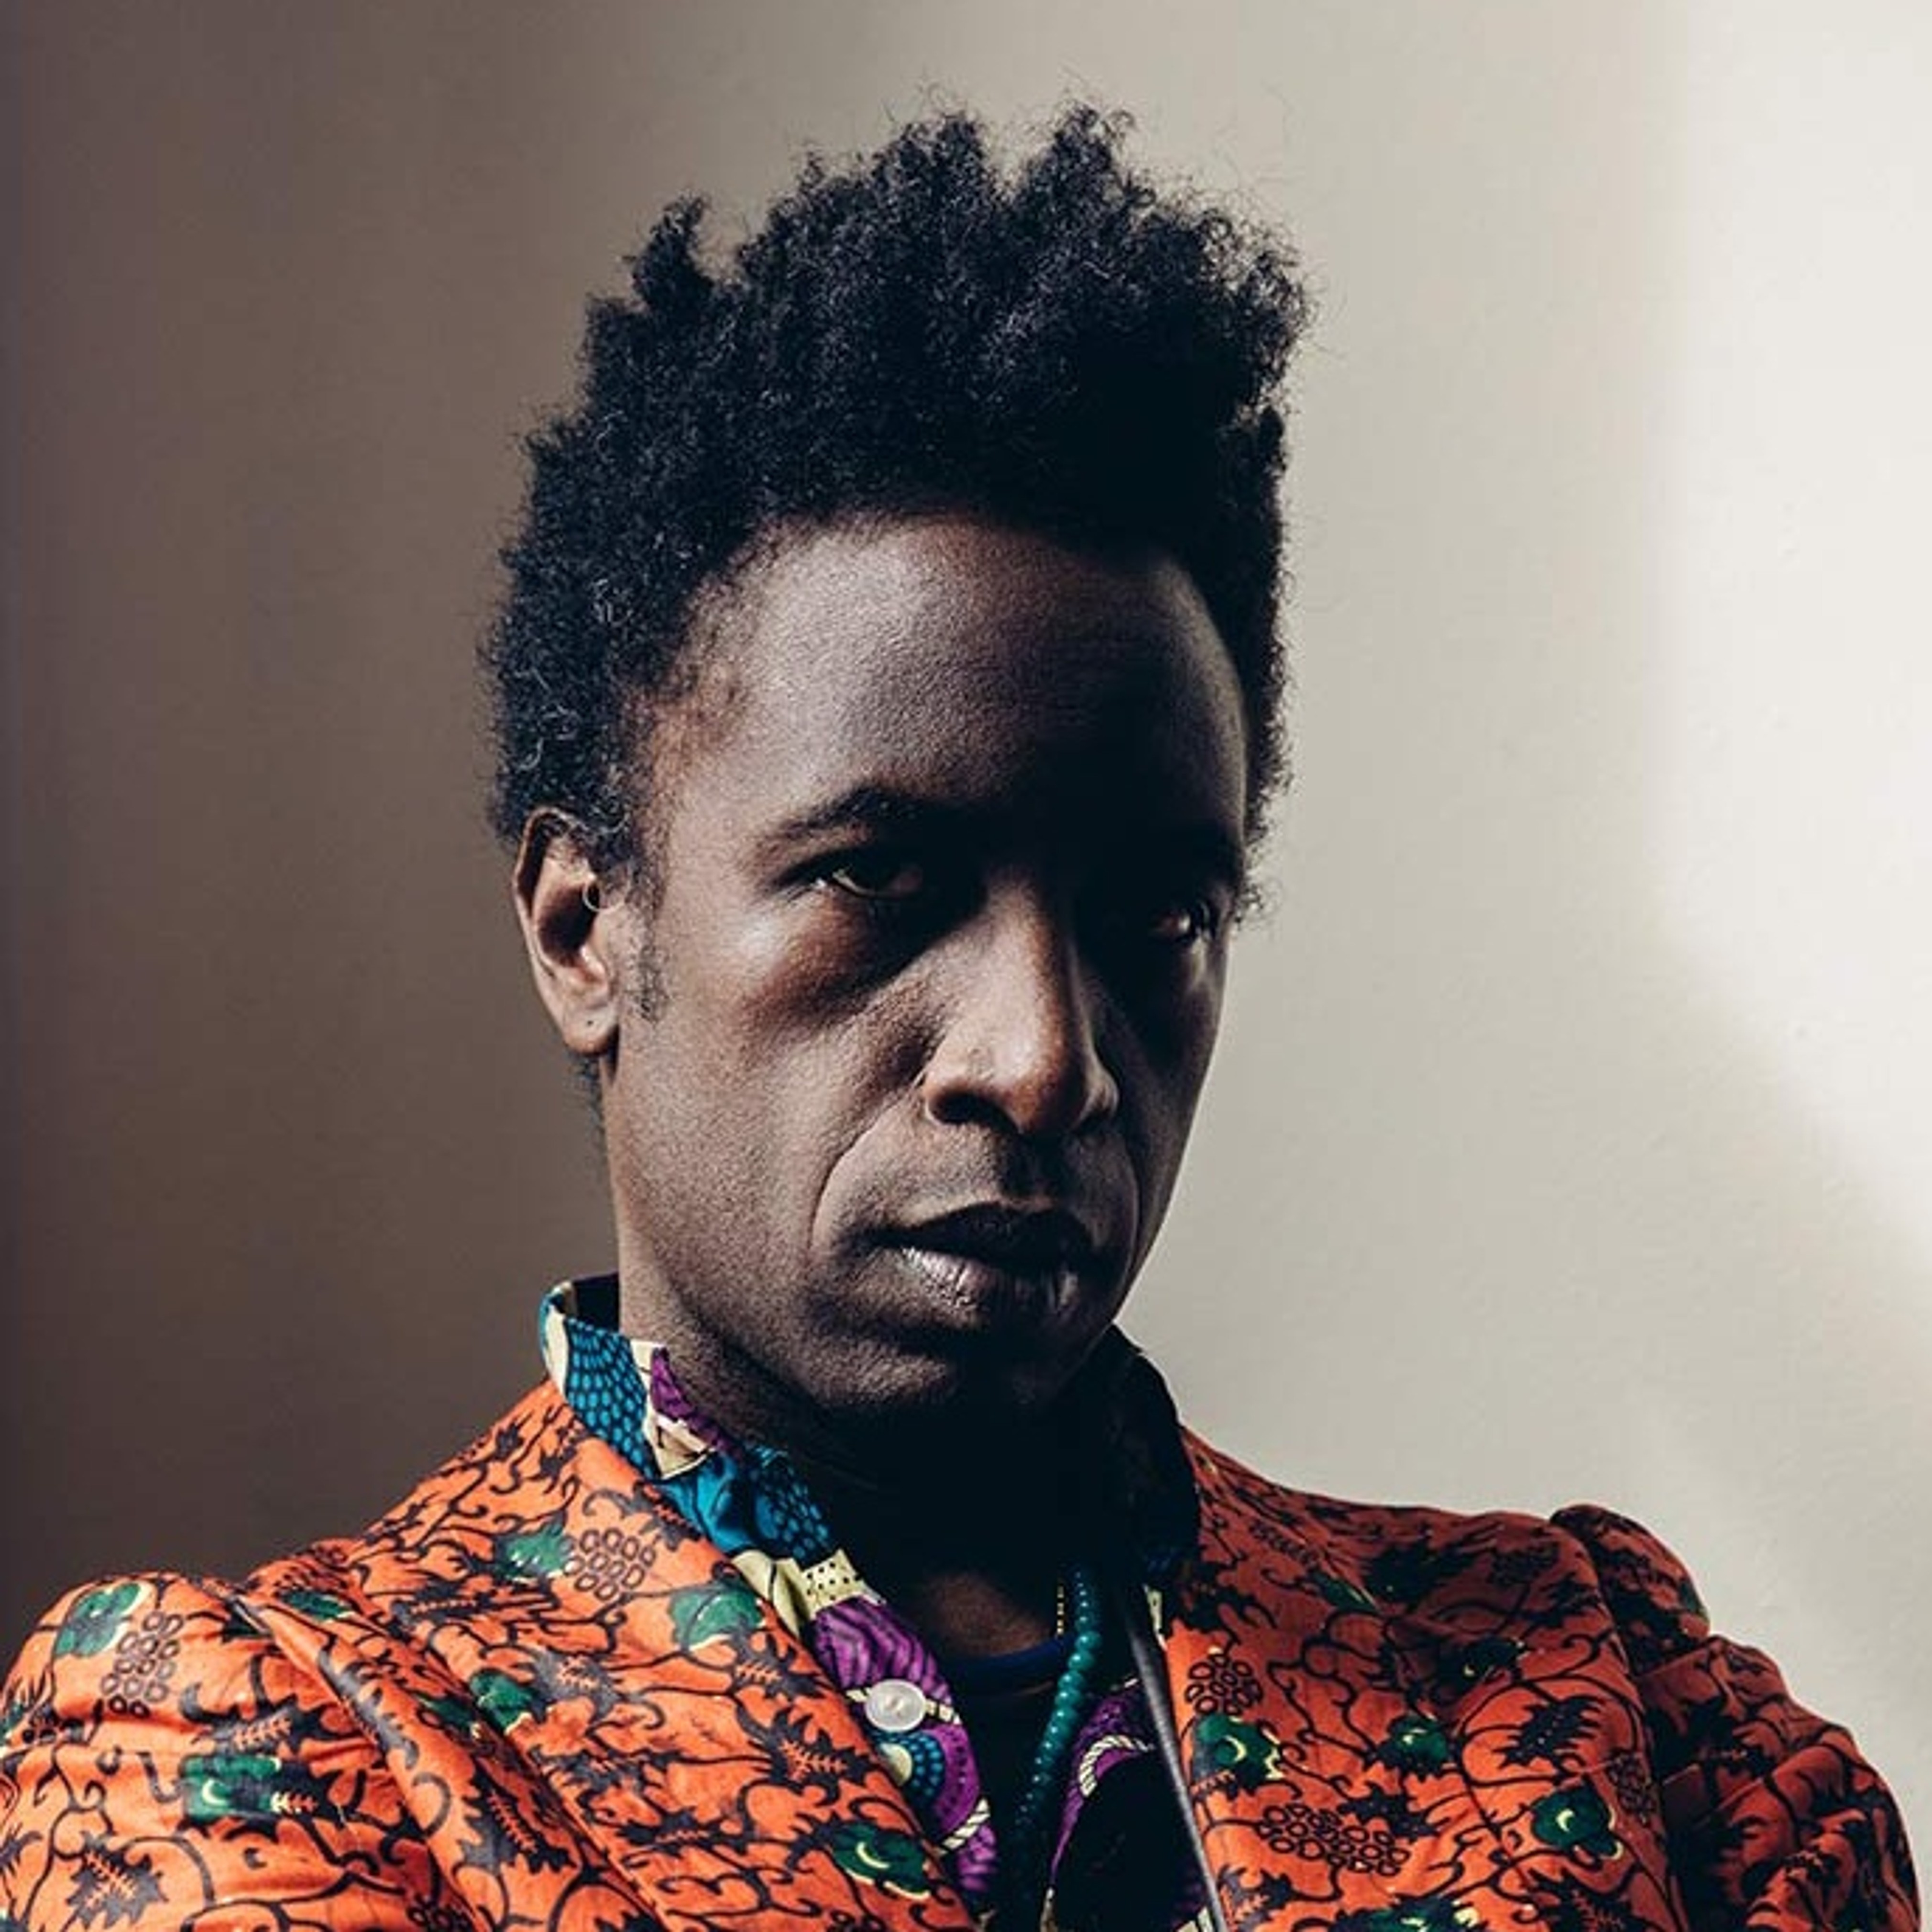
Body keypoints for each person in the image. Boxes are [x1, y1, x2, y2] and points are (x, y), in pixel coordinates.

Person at [0, 108, 1915, 1932]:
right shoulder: (263, 1740)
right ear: (586, 926)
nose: (1045, 1058)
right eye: (882, 879)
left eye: (1154, 912)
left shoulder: (1614, 1706)